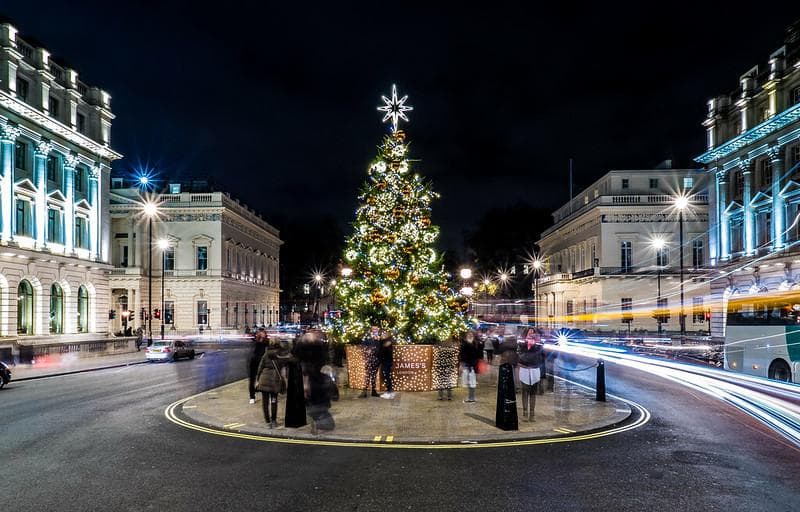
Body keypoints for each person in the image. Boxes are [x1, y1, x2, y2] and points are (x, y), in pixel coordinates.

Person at [255, 339, 288, 428]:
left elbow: (260, 367)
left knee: (265, 402)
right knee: (274, 401)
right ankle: (273, 421)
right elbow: (284, 369)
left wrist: (257, 380)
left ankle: (267, 421)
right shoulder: (280, 354)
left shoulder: (266, 354)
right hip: (275, 380)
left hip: (264, 379)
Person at [518, 331, 543, 421]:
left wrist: (532, 348)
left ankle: (532, 414)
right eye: (529, 336)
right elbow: (521, 357)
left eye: (532, 337)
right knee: (525, 392)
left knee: (533, 393)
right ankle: (525, 413)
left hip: (534, 370)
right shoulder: (521, 346)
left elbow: (538, 357)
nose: (530, 338)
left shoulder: (539, 347)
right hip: (524, 371)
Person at [247, 327, 269, 405]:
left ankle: (259, 394)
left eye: (263, 333)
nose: (262, 334)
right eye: (261, 333)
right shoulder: (256, 341)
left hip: (261, 361)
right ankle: (252, 396)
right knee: (252, 379)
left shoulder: (266, 342)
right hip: (255, 361)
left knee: (263, 378)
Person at [359, 327, 381, 398]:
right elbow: (362, 347)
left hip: (376, 360)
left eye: (377, 329)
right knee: (368, 375)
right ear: (371, 331)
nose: (375, 331)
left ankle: (373, 391)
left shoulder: (379, 339)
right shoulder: (367, 339)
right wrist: (367, 351)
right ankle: (364, 392)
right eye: (374, 329)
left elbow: (380, 349)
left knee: (374, 376)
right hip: (369, 360)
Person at [460, 330, 480, 403]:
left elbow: (478, 355)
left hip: (472, 366)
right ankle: (471, 397)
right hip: (468, 365)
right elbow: (462, 355)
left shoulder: (475, 344)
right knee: (469, 382)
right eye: (468, 335)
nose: (470, 336)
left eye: (471, 335)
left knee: (472, 382)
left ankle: (471, 398)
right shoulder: (464, 344)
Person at [378, 335, 395, 399]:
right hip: (385, 362)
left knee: (387, 376)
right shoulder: (384, 342)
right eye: (382, 334)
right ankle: (390, 392)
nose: (382, 335)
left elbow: (383, 351)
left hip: (387, 362)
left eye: (384, 334)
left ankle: (389, 392)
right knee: (386, 376)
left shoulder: (388, 342)